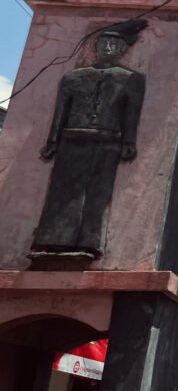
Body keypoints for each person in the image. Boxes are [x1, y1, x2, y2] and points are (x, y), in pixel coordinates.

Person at [30, 20, 147, 259]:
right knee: (63, 192)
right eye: (103, 43)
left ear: (123, 49)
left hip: (107, 143)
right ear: (96, 47)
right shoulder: (74, 77)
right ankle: (52, 241)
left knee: (97, 194)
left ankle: (88, 243)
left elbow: (131, 114)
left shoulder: (131, 79)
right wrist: (52, 141)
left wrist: (129, 143)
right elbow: (60, 113)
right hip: (72, 138)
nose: (107, 48)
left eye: (114, 44)